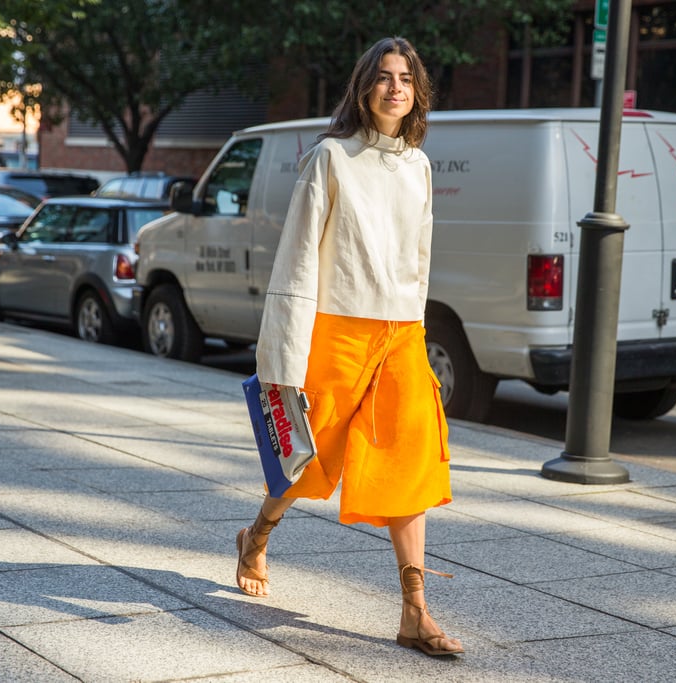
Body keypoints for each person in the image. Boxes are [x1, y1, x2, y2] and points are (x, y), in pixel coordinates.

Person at [236, 37, 463, 657]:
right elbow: (298, 256)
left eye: (407, 78)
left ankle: (415, 611)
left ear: (417, 92)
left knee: (410, 464)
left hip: (400, 335)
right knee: (308, 458)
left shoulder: (417, 164)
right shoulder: (331, 157)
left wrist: (417, 339)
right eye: (385, 76)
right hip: (336, 329)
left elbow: (419, 262)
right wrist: (284, 354)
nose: (396, 87)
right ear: (364, 86)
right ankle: (256, 535)